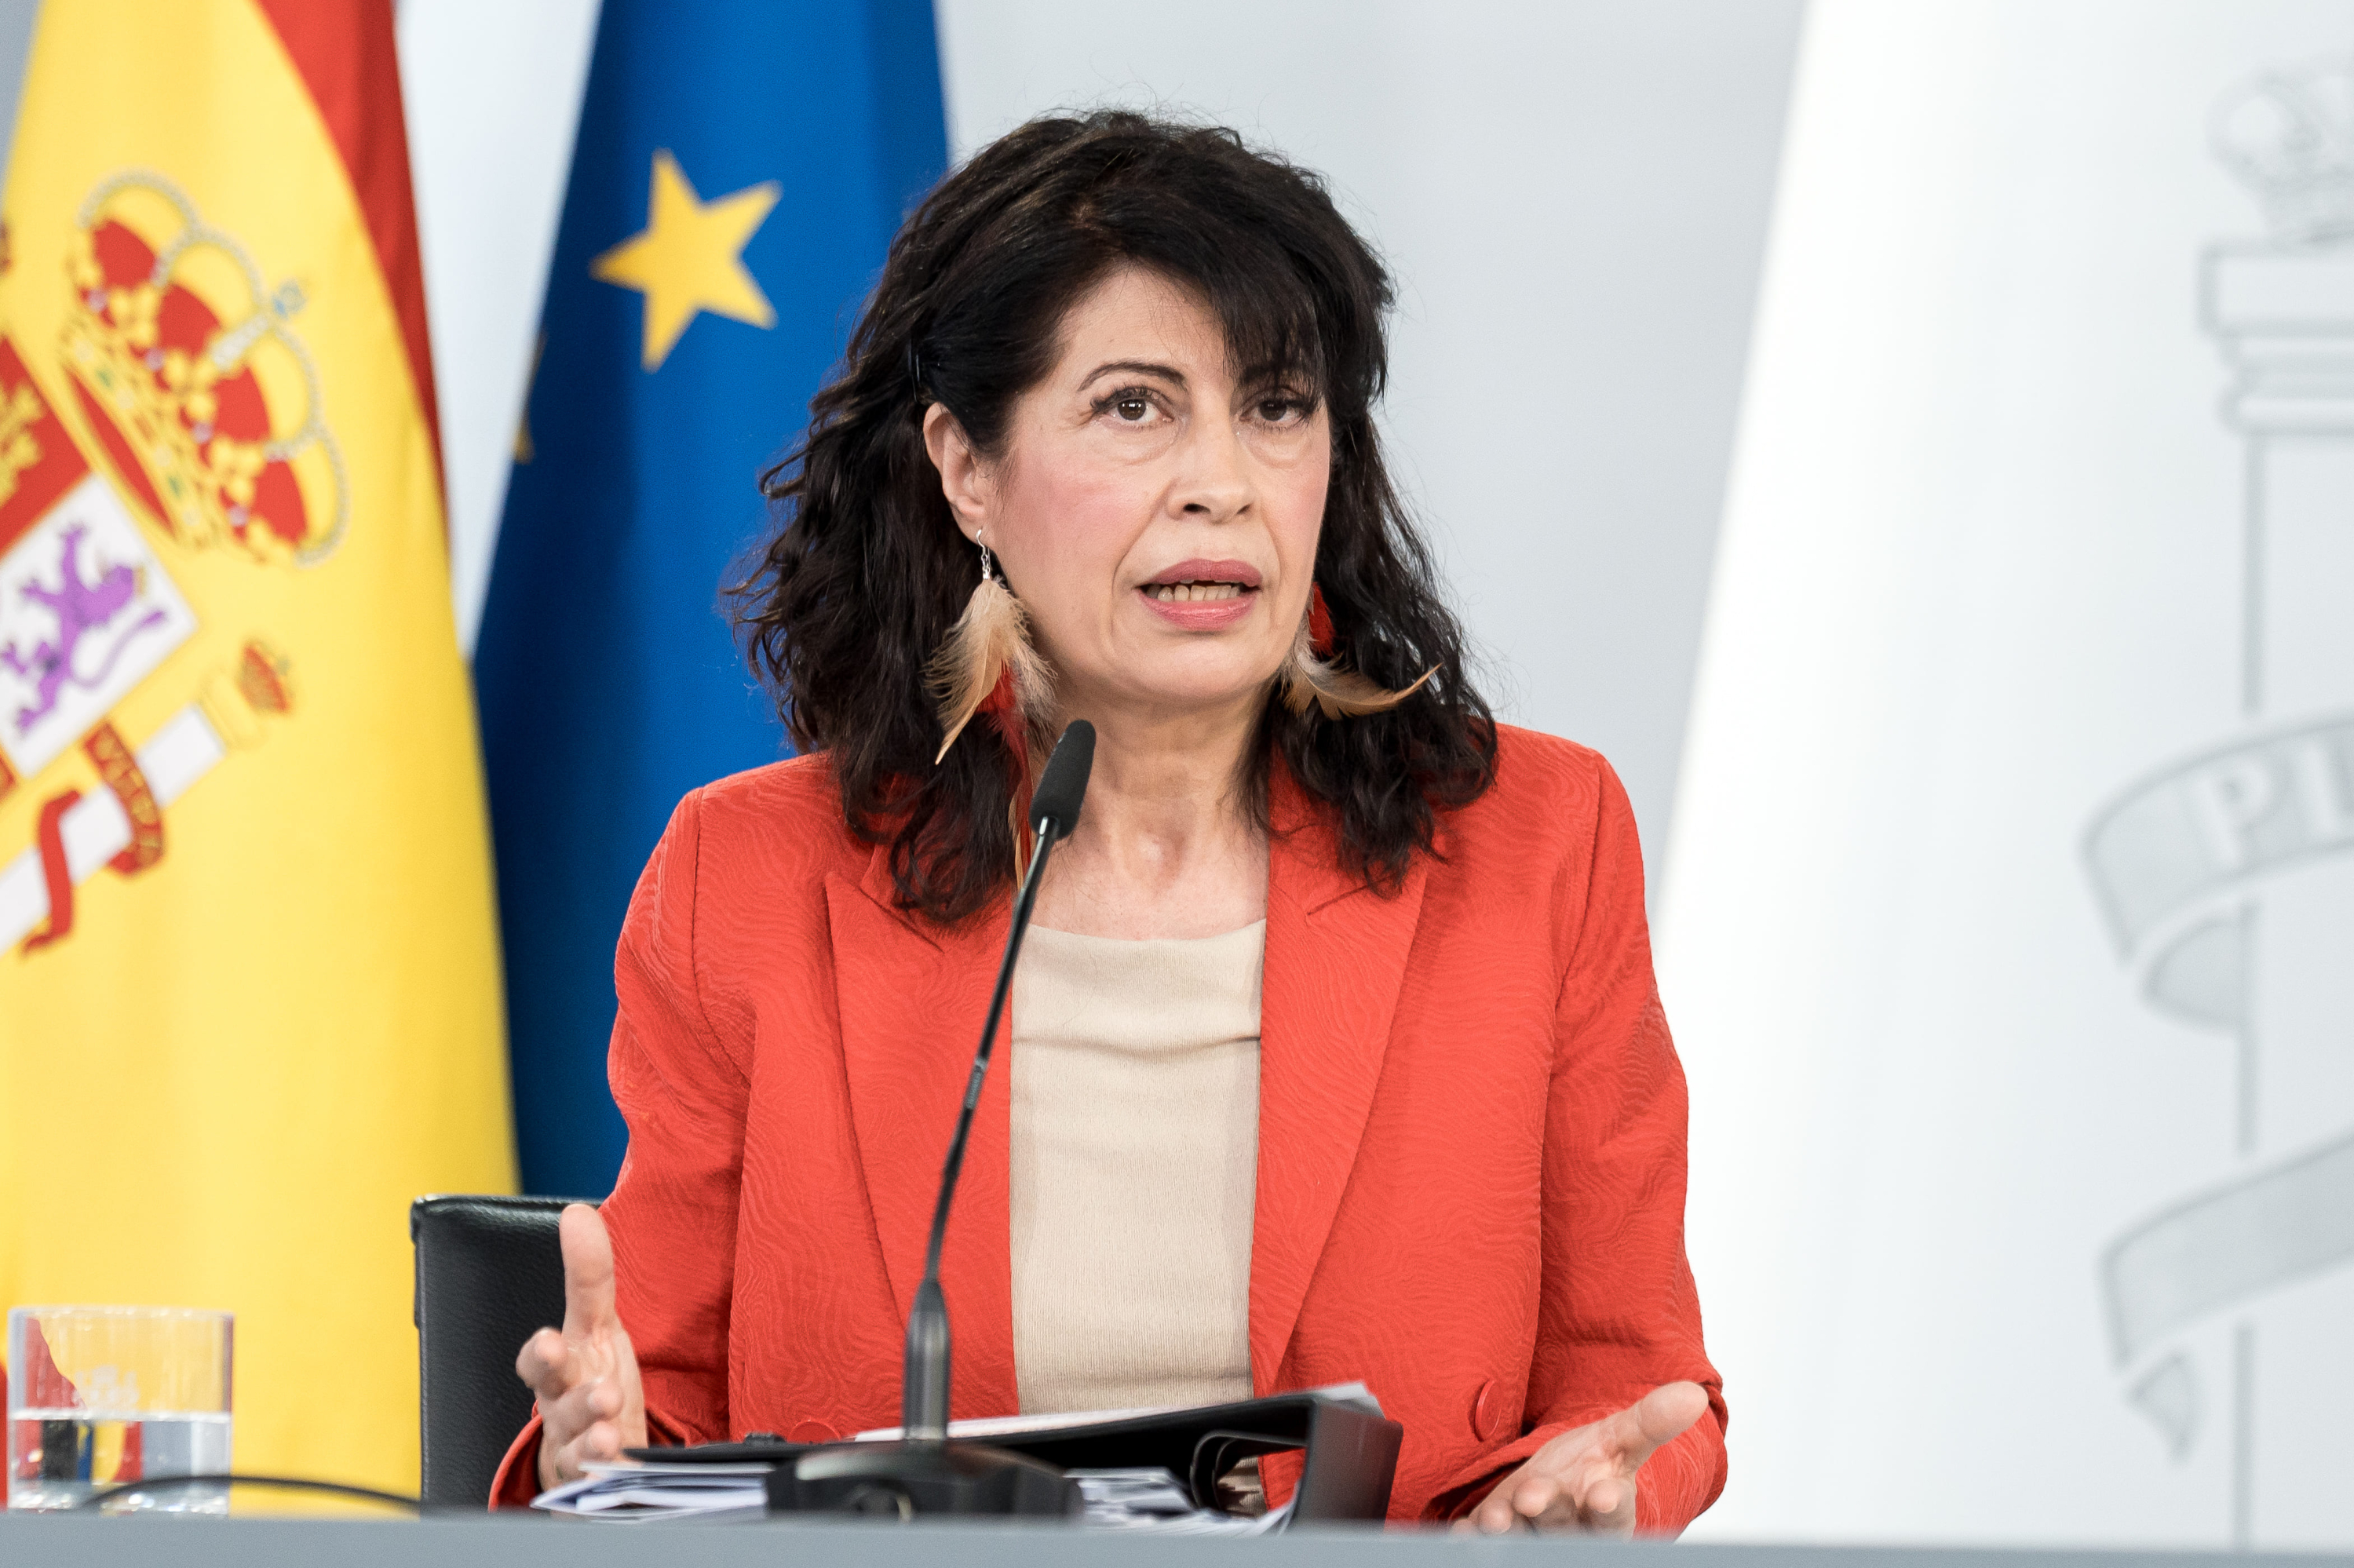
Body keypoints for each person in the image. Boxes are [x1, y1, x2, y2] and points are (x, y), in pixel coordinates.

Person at [498, 110, 1725, 1533]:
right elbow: (658, 1409)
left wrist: (1576, 1501)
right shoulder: (752, 879)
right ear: (967, 469)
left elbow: (1638, 1386)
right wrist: (603, 1457)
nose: (1222, 483)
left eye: (1277, 407)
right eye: (1135, 408)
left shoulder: (1537, 845)